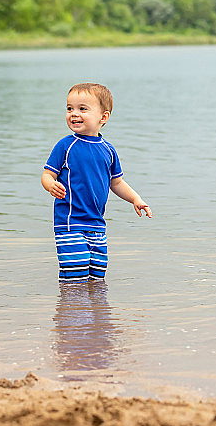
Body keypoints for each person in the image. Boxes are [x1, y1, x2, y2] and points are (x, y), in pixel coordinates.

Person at [42, 82, 151, 282]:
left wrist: (135, 199)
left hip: (97, 226)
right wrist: (50, 185)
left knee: (97, 279)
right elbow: (47, 174)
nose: (74, 114)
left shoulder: (108, 150)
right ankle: (72, 311)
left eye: (82, 109)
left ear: (103, 117)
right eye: (69, 108)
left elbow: (116, 183)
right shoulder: (66, 145)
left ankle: (97, 312)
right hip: (70, 223)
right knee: (75, 278)